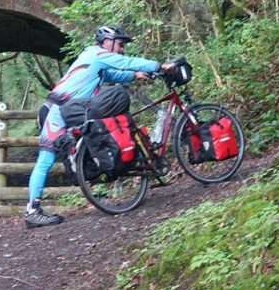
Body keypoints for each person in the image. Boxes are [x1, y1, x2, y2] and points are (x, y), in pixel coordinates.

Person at [25, 25, 175, 228]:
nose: (121, 48)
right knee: (46, 159)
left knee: (81, 142)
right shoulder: (97, 54)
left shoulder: (94, 60)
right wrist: (160, 66)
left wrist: (135, 76)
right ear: (106, 42)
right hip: (58, 111)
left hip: (64, 109)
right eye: (120, 44)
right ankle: (33, 211)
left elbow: (112, 75)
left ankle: (99, 172)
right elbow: (126, 62)